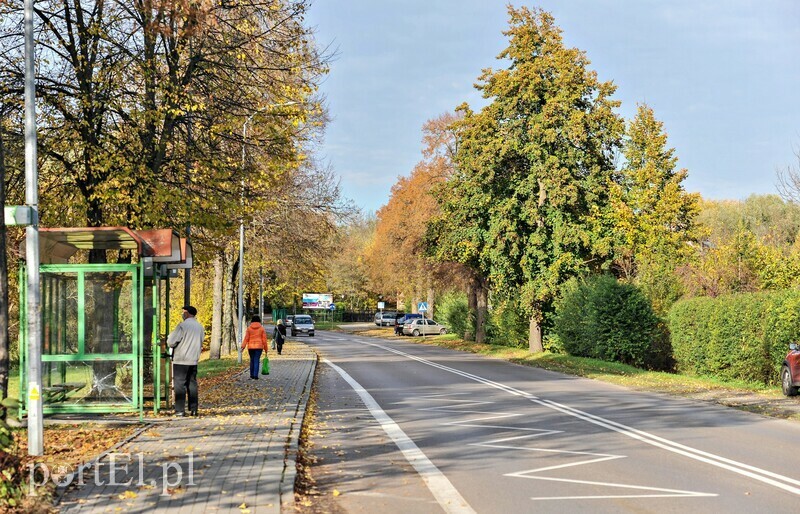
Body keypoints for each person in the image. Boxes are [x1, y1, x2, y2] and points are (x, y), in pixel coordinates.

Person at [167, 305, 205, 417]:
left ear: (187, 313)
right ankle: (194, 409)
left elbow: (171, 342)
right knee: (192, 384)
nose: (182, 314)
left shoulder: (182, 326)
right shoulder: (200, 327)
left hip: (181, 360)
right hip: (193, 360)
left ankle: (180, 410)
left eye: (183, 312)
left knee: (180, 385)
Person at [241, 315, 268, 379]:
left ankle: (251, 375)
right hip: (259, 347)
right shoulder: (261, 328)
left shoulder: (249, 328)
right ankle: (255, 375)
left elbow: (246, 338)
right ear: (259, 320)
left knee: (252, 360)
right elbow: (264, 340)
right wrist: (266, 349)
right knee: (256, 360)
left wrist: (243, 346)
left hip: (251, 347)